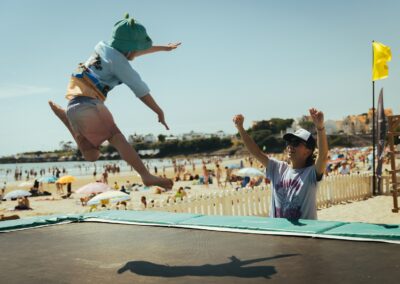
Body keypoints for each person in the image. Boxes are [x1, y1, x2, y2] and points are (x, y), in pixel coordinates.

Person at [48, 13, 177, 190]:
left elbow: (129, 52)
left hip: (74, 105)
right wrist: (158, 111)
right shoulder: (120, 64)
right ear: (130, 50)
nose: (137, 53)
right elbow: (141, 90)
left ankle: (69, 123)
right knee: (117, 138)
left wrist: (164, 48)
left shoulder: (103, 47)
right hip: (90, 104)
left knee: (92, 155)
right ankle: (145, 175)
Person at [233, 108, 328, 220]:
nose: (290, 146)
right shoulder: (278, 168)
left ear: (308, 151)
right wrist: (240, 128)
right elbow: (256, 152)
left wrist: (320, 128)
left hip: (303, 235)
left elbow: (322, 155)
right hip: (278, 231)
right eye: (289, 142)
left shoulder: (311, 173)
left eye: (296, 143)